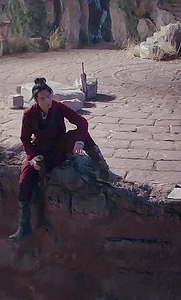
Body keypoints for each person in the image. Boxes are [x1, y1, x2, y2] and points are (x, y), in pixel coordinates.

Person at [9, 77, 110, 240]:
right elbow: (25, 139)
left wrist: (79, 141)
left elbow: (81, 122)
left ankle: (102, 168)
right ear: (36, 100)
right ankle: (24, 225)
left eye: (49, 96)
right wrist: (33, 157)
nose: (47, 101)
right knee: (25, 179)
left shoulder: (59, 107)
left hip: (59, 146)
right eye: (43, 98)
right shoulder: (29, 114)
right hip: (40, 150)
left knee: (82, 135)